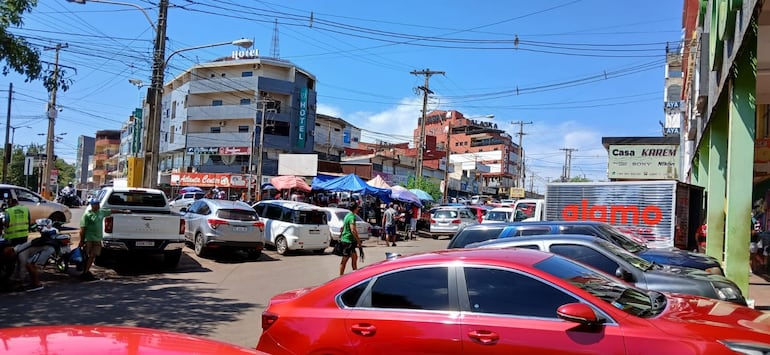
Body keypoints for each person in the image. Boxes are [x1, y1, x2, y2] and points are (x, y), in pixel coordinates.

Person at [79, 198, 113, 281]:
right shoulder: (87, 215)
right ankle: (84, 272)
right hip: (89, 239)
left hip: (97, 239)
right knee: (86, 256)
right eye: (95, 204)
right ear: (92, 205)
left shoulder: (101, 212)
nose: (97, 206)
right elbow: (82, 229)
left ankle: (86, 271)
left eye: (98, 204)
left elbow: (111, 211)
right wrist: (82, 240)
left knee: (93, 255)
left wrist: (124, 211)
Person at [338, 202, 362, 276]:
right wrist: (358, 241)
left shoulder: (347, 216)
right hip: (348, 241)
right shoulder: (352, 217)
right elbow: (353, 230)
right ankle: (341, 276)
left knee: (354, 257)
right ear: (355, 208)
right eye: (357, 207)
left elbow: (342, 228)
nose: (358, 209)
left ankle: (355, 274)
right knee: (345, 260)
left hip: (347, 240)